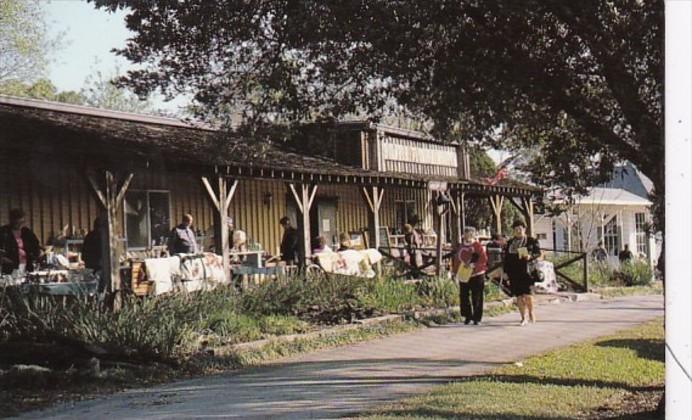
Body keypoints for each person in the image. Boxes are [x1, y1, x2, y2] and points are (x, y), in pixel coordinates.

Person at [503, 219, 542, 326]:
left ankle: (531, 312)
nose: (518, 231)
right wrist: (505, 272)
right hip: (514, 272)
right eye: (516, 229)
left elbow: (538, 253)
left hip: (527, 271)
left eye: (520, 229)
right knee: (519, 296)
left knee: (528, 295)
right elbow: (506, 258)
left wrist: (530, 256)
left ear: (524, 229)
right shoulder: (510, 242)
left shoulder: (531, 241)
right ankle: (523, 317)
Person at [453, 227, 488, 325]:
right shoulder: (461, 246)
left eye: (469, 233)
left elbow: (483, 259)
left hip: (476, 274)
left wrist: (473, 265)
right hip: (463, 273)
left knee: (476, 296)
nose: (467, 235)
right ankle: (467, 316)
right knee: (464, 296)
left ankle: (477, 317)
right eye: (466, 233)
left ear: (473, 234)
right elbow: (457, 259)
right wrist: (454, 272)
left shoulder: (477, 245)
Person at [0, 209, 41, 274]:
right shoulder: (3, 232)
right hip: (10, 266)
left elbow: (36, 245)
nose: (19, 225)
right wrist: (4, 258)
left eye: (22, 223)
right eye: (17, 223)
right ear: (11, 221)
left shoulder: (27, 232)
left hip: (27, 265)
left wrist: (35, 256)